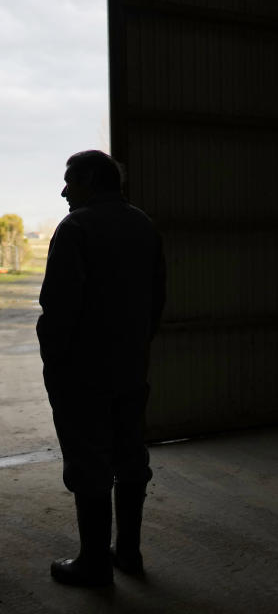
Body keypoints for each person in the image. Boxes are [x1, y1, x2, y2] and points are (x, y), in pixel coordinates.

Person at [37, 150, 166, 587]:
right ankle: (128, 553)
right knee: (131, 458)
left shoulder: (75, 228)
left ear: (91, 180)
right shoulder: (143, 224)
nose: (64, 190)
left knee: (88, 462)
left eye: (70, 180)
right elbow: (157, 301)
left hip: (83, 373)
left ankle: (94, 564)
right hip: (131, 368)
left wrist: (54, 363)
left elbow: (58, 309)